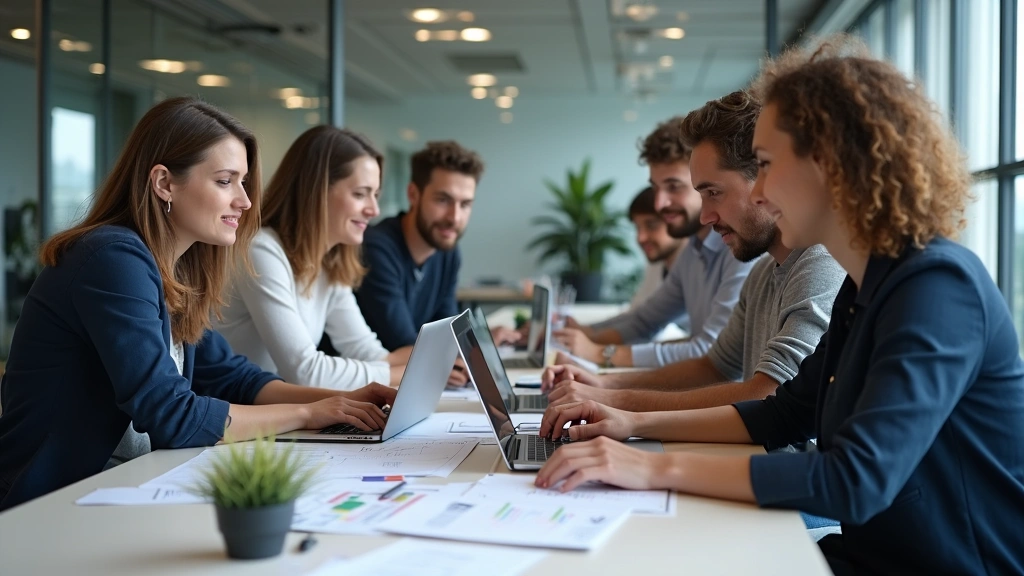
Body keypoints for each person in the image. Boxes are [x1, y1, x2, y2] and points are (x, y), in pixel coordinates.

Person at [534, 38, 1024, 575]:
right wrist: (629, 424)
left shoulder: (937, 286)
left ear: (831, 164)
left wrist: (651, 469)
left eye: (766, 165)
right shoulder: (865, 287)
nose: (760, 191)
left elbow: (854, 480)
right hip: (871, 556)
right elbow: (784, 411)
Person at [0, 97, 395, 511]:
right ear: (164, 183)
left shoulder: (174, 269)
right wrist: (309, 414)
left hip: (121, 489)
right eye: (225, 181)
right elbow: (172, 414)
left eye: (244, 182)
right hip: (46, 505)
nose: (245, 201)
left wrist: (339, 402)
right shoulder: (111, 260)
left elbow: (232, 377)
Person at [541, 91, 846, 413]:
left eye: (713, 192)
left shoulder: (820, 264)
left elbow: (768, 395)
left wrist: (621, 403)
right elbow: (712, 366)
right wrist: (604, 385)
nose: (705, 217)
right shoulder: (762, 272)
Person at [216, 126, 410, 391]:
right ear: (316, 191)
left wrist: (431, 365)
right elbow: (305, 371)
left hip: (269, 406)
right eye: (360, 194)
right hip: (237, 409)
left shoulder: (328, 262)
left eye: (375, 195)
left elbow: (365, 350)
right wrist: (400, 374)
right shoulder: (260, 250)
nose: (374, 210)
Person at [554, 118, 754, 368]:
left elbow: (712, 351)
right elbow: (643, 321)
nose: (659, 204)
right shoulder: (694, 250)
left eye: (674, 187)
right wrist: (582, 334)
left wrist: (601, 354)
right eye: (655, 188)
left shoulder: (742, 249)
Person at [355, 141, 516, 386]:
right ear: (413, 195)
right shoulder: (376, 249)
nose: (455, 217)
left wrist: (481, 341)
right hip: (365, 390)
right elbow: (404, 343)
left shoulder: (447, 252)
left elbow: (448, 333)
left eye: (465, 204)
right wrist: (464, 352)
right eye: (443, 200)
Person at [626, 186, 686, 309]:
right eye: (637, 228)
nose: (640, 238)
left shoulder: (699, 268)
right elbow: (637, 312)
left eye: (651, 225)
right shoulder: (656, 266)